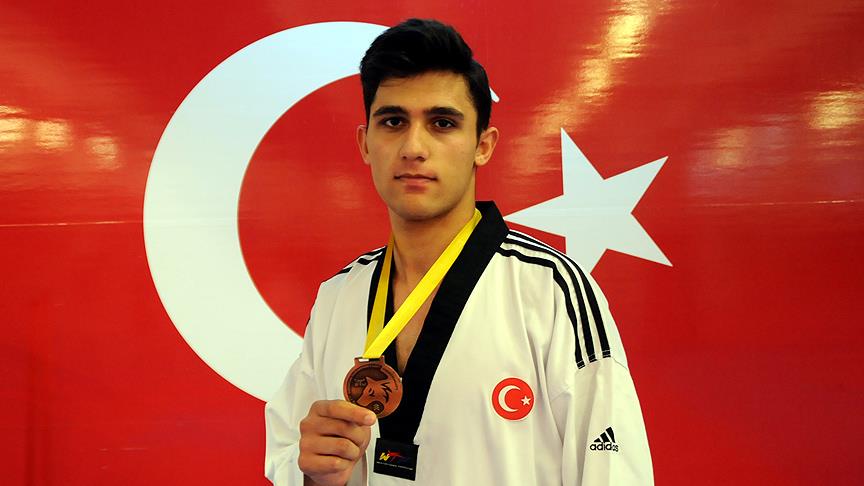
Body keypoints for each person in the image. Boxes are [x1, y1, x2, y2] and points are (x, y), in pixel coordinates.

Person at [265, 18, 653, 485]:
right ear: (365, 143)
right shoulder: (338, 296)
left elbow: (614, 471)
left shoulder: (550, 289)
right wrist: (315, 477)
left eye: (442, 123)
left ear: (482, 146)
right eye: (393, 122)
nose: (413, 147)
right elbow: (289, 456)